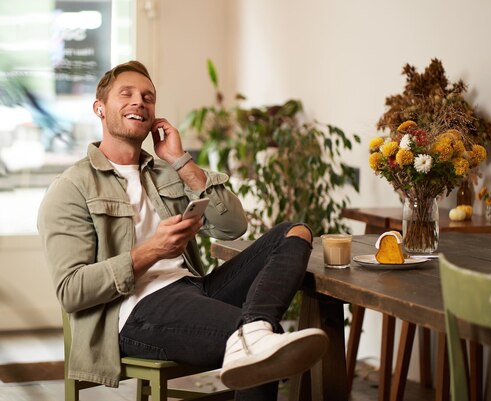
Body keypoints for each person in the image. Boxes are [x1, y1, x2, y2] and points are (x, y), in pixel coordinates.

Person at [37, 60, 328, 400]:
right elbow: (72, 291)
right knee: (259, 345)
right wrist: (153, 250)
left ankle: (256, 328)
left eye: (148, 96)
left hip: (193, 288)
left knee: (294, 232)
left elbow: (233, 227)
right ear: (99, 108)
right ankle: (256, 334)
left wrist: (181, 160)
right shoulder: (71, 187)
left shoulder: (166, 173)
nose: (139, 102)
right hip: (133, 312)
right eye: (126, 94)